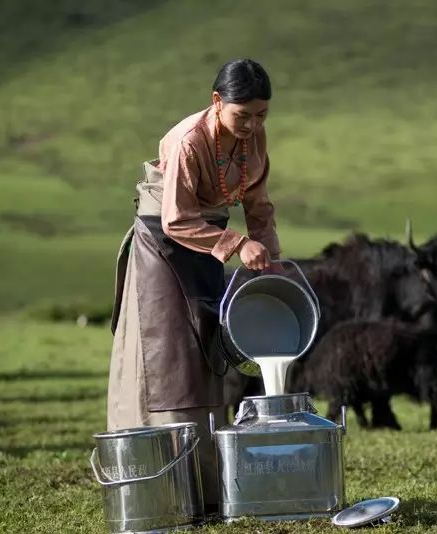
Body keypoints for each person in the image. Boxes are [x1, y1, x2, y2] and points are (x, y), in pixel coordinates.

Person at [107, 58, 283, 513]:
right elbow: (177, 219)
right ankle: (163, 490)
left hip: (209, 245)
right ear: (216, 102)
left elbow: (259, 204)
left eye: (261, 115)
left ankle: (208, 489)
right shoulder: (189, 140)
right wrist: (238, 244)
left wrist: (269, 255)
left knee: (207, 350)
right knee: (167, 359)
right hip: (163, 246)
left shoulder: (254, 138)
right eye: (242, 115)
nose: (251, 124)